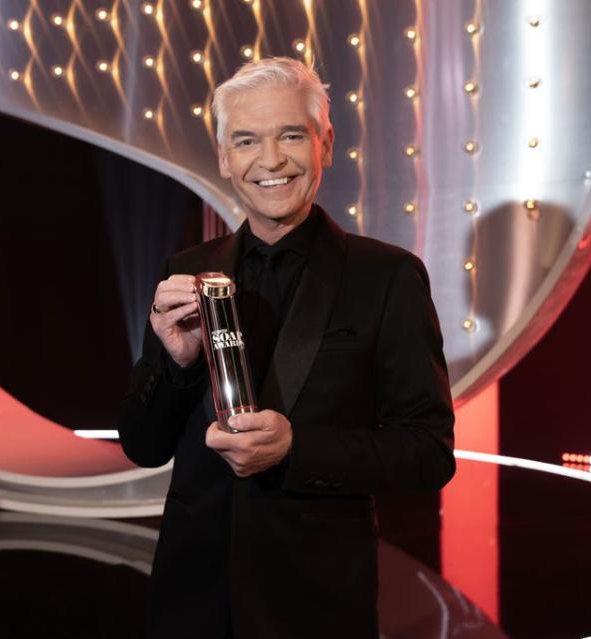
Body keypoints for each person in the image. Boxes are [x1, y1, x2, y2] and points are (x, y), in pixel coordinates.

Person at [117, 57, 455, 639]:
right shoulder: (187, 271)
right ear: (224, 158)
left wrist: (296, 449)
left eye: (290, 135)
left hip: (315, 606)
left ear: (325, 143)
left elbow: (427, 453)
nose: (270, 160)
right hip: (189, 604)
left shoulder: (387, 276)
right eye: (246, 140)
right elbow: (144, 446)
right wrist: (173, 364)